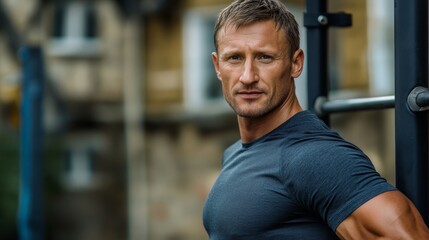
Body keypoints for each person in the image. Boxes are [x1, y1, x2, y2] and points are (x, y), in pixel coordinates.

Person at [202, 0, 429, 239]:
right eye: (235, 58)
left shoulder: (314, 157)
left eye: (265, 57)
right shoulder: (236, 152)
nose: (248, 76)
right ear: (217, 66)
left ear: (296, 63)